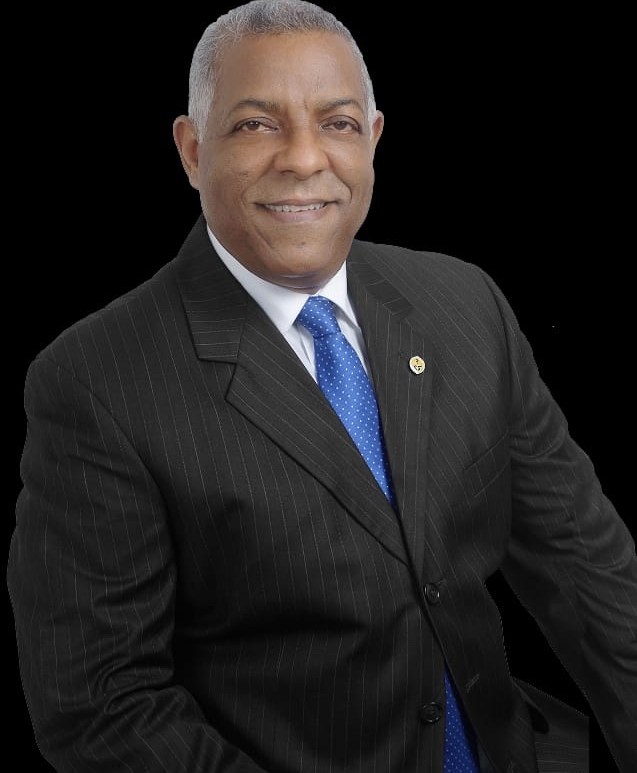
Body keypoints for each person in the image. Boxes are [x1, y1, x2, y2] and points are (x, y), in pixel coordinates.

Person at [7, 1, 635, 771]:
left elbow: (585, 568)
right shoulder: (95, 383)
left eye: (336, 123)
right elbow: (104, 706)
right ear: (193, 150)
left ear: (372, 139)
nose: (304, 158)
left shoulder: (464, 302)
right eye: (255, 125)